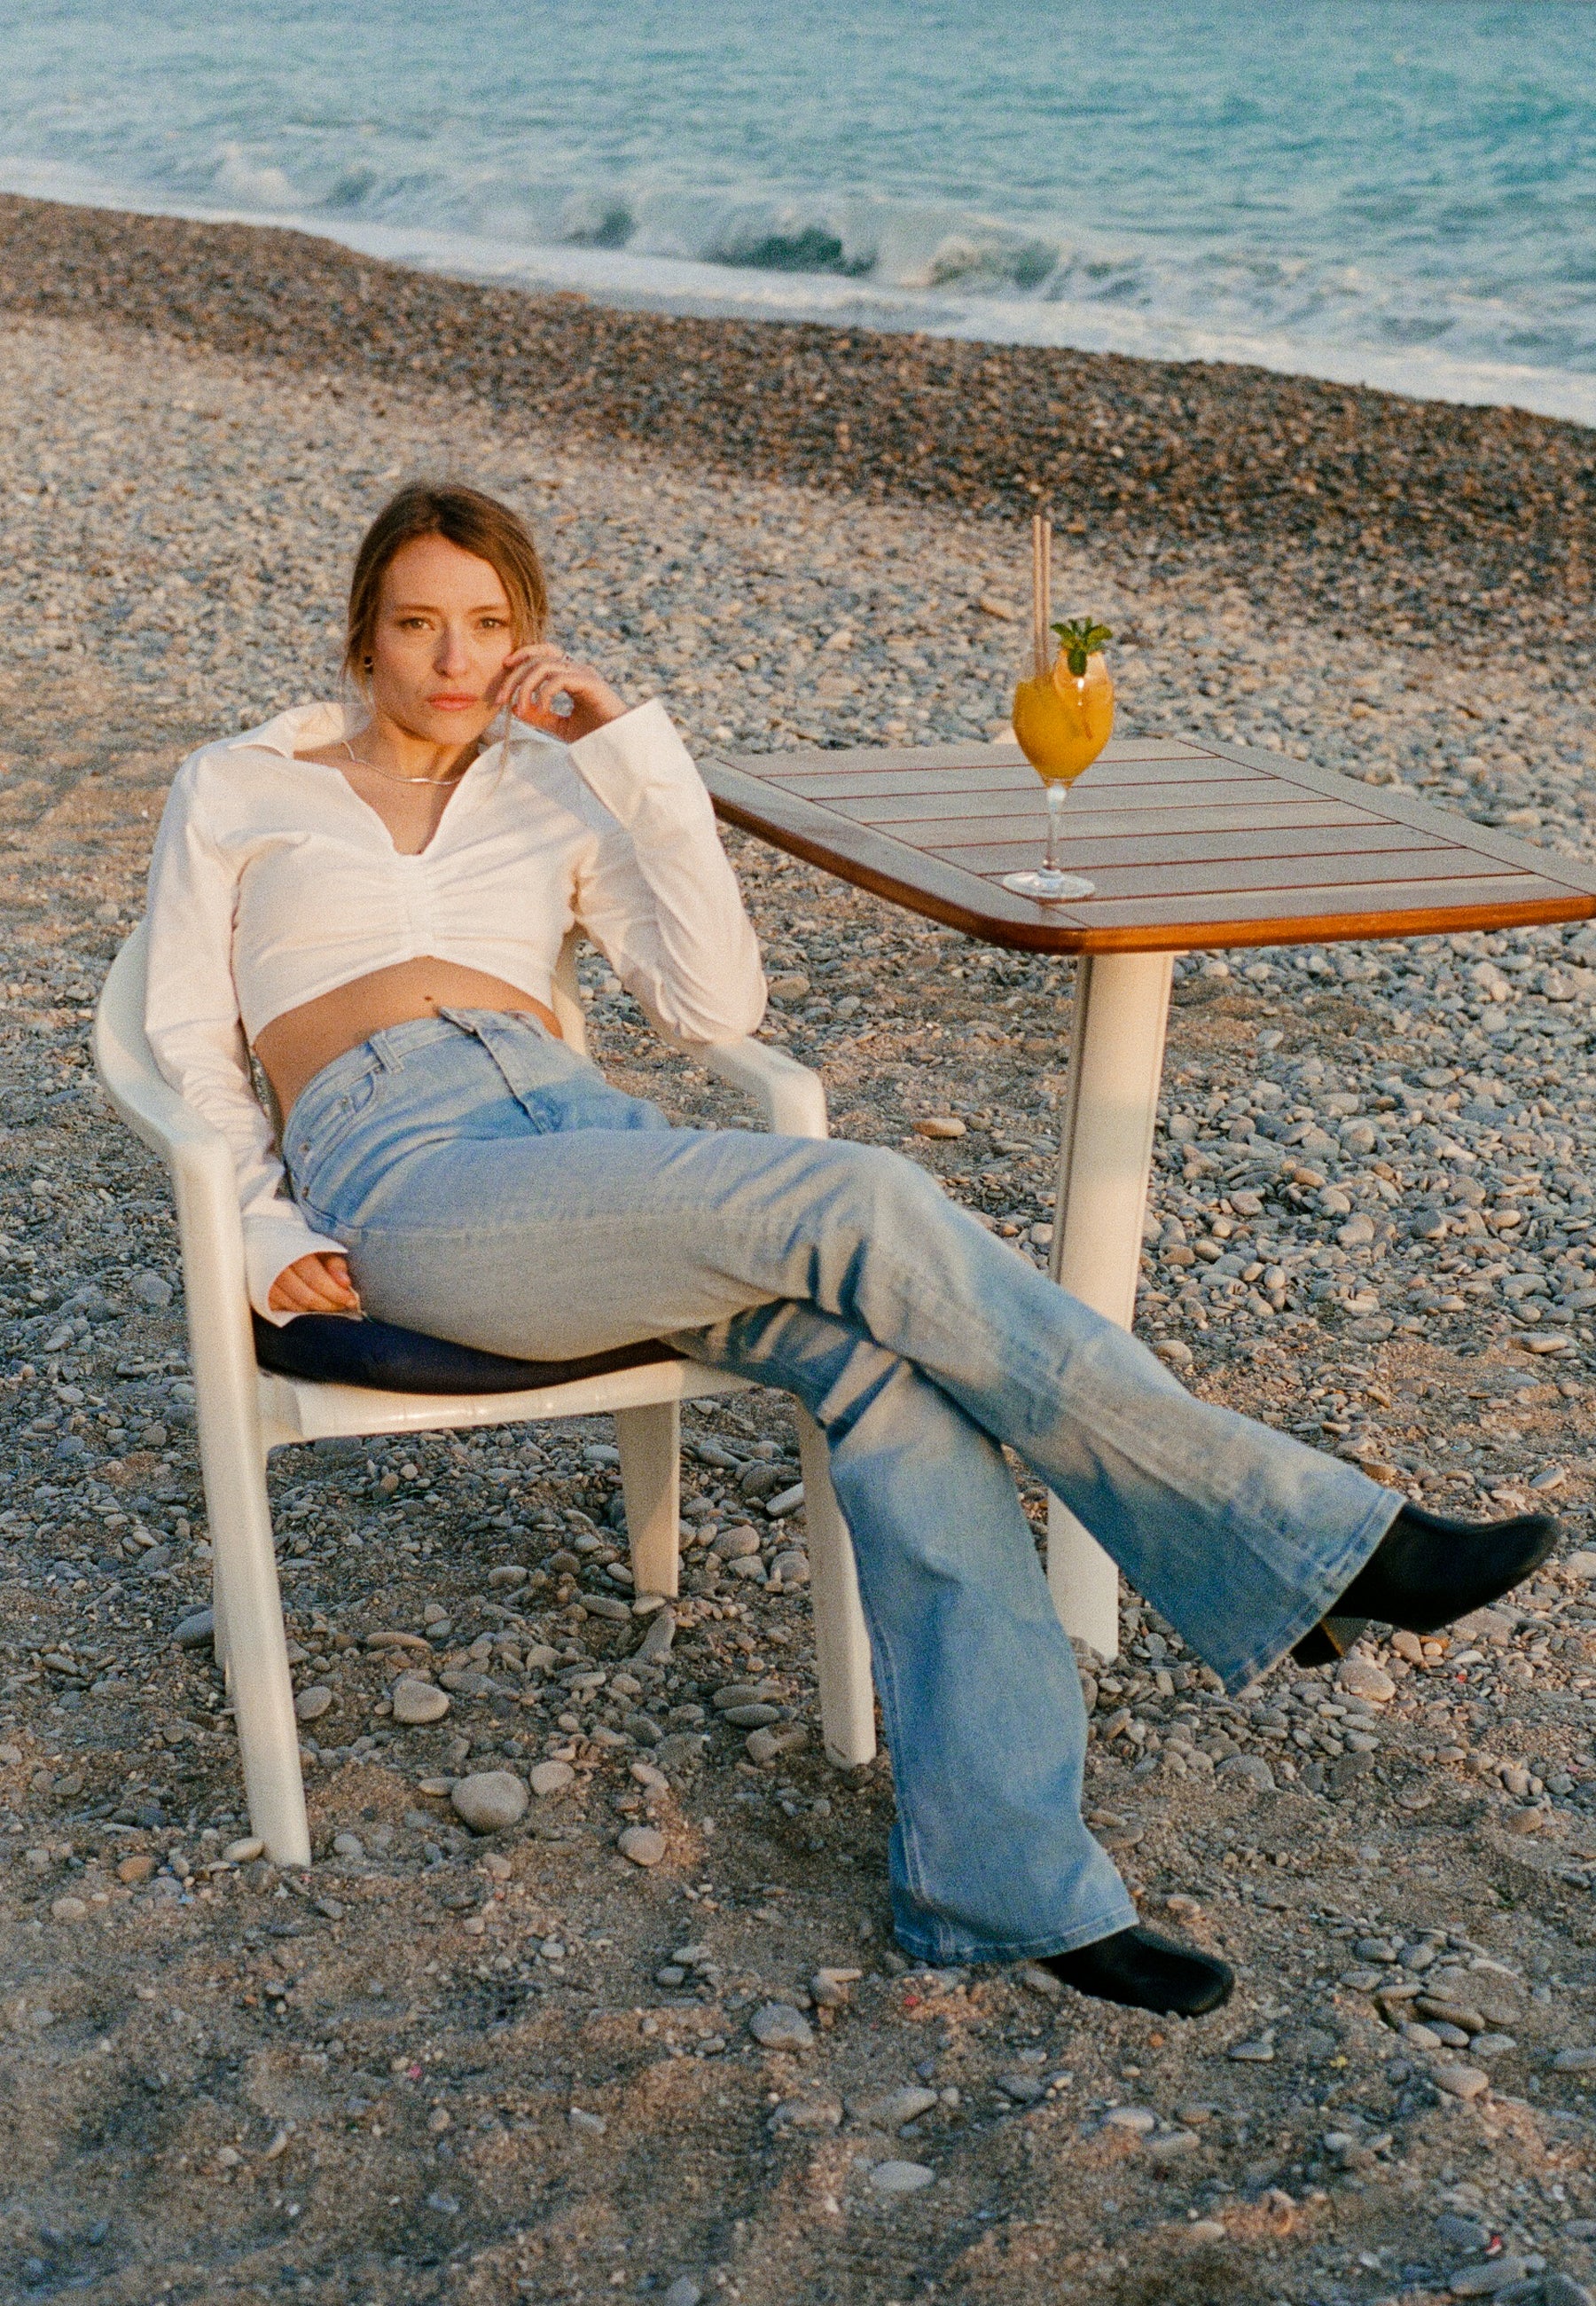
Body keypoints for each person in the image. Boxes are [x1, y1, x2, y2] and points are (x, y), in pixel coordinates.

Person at [145, 482, 1557, 2015]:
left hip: (587, 1140)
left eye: (487, 624)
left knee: (896, 1379)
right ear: (364, 633)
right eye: (418, 623)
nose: (452, 657)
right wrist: (262, 1227)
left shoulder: (558, 787)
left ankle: (1008, 1886)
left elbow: (717, 1006)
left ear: (528, 636)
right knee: (865, 1196)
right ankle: (1316, 1545)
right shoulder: (240, 785)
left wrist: (634, 755)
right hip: (407, 1174)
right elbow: (185, 1042)